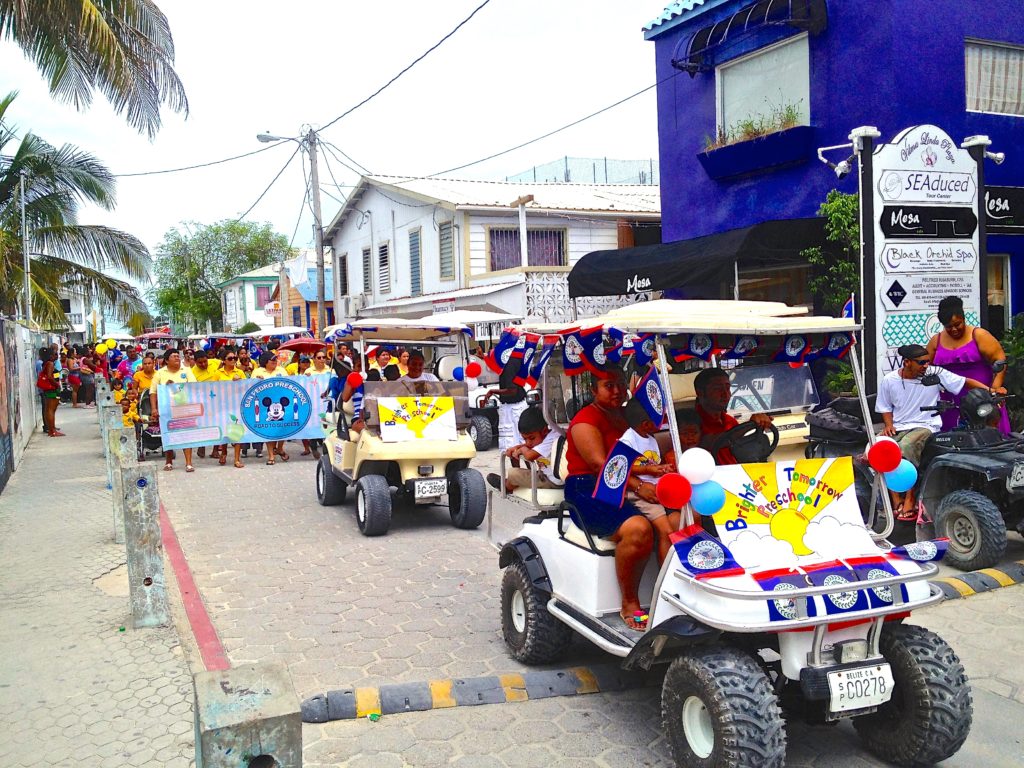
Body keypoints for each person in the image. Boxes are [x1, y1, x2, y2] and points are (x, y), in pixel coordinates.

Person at [563, 368, 655, 630]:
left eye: (620, 385)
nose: (616, 391)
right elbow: (599, 465)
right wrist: (639, 486)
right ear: (594, 390)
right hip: (589, 487)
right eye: (608, 386)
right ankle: (630, 602)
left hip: (625, 481)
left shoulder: (626, 415)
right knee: (638, 529)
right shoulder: (585, 421)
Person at [877, 343, 990, 519]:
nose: (926, 366)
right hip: (899, 426)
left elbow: (964, 382)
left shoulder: (935, 374)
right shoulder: (889, 380)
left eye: (927, 362)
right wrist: (888, 425)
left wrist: (990, 391)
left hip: (926, 425)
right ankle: (894, 498)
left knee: (905, 448)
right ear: (907, 362)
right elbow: (884, 406)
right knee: (878, 449)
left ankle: (910, 496)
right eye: (921, 363)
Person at [927, 295, 1010, 433]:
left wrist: (995, 389)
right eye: (949, 327)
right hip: (951, 400)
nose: (954, 329)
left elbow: (1000, 361)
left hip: (982, 395)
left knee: (988, 434)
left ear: (963, 318)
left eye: (957, 324)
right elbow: (924, 366)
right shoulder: (936, 340)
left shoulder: (979, 335)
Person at [619, 398, 679, 564]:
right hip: (638, 494)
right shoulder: (628, 440)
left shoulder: (651, 440)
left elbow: (653, 464)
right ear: (646, 424)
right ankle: (665, 576)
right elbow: (621, 467)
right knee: (666, 531)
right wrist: (647, 470)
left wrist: (663, 469)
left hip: (656, 488)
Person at [693, 367, 772, 464]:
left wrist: (759, 426)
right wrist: (749, 425)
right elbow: (711, 442)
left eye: (727, 388)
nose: (725, 394)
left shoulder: (729, 420)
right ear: (700, 393)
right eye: (717, 389)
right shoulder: (691, 422)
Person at [488, 406, 563, 493]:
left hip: (552, 482)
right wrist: (516, 448)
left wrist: (522, 449)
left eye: (531, 438)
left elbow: (529, 456)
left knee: (513, 473)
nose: (528, 443)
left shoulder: (553, 438)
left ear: (544, 431)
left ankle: (507, 487)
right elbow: (531, 445)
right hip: (544, 475)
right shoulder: (547, 435)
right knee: (519, 463)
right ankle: (512, 481)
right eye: (525, 439)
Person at [150, 349, 197, 472]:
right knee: (168, 434)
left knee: (187, 434)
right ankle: (168, 462)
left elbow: (193, 387)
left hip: (184, 408)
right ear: (166, 360)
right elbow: (153, 392)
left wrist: (175, 386)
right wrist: (154, 409)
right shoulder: (159, 373)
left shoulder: (186, 371)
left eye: (178, 356)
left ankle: (188, 463)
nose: (177, 358)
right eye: (174, 356)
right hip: (166, 409)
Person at [252, 352, 289, 464]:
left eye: (275, 360)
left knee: (283, 427)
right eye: (271, 360)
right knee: (269, 428)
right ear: (265, 361)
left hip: (282, 403)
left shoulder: (282, 370)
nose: (274, 361)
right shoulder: (257, 371)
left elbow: (290, 383)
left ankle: (280, 448)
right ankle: (271, 456)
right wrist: (256, 380)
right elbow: (251, 387)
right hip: (265, 405)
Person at [487, 354, 528, 453]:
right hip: (513, 406)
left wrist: (492, 391)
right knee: (511, 446)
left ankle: (529, 468)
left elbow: (512, 390)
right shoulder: (514, 359)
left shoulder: (509, 364)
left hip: (514, 408)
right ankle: (519, 469)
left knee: (518, 444)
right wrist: (483, 357)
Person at [216, 350, 248, 468]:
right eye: (230, 358)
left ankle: (236, 459)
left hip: (237, 405)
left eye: (234, 358)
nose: (233, 360)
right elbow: (212, 388)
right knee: (224, 430)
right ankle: (223, 452)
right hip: (222, 405)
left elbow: (246, 387)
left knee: (237, 431)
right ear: (224, 360)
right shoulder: (218, 373)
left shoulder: (240, 372)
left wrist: (239, 382)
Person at [37, 358, 64, 437]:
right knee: (51, 409)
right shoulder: (50, 364)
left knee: (49, 409)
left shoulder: (47, 364)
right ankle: (52, 430)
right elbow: (49, 376)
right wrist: (57, 385)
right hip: (52, 389)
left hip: (50, 389)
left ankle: (51, 429)